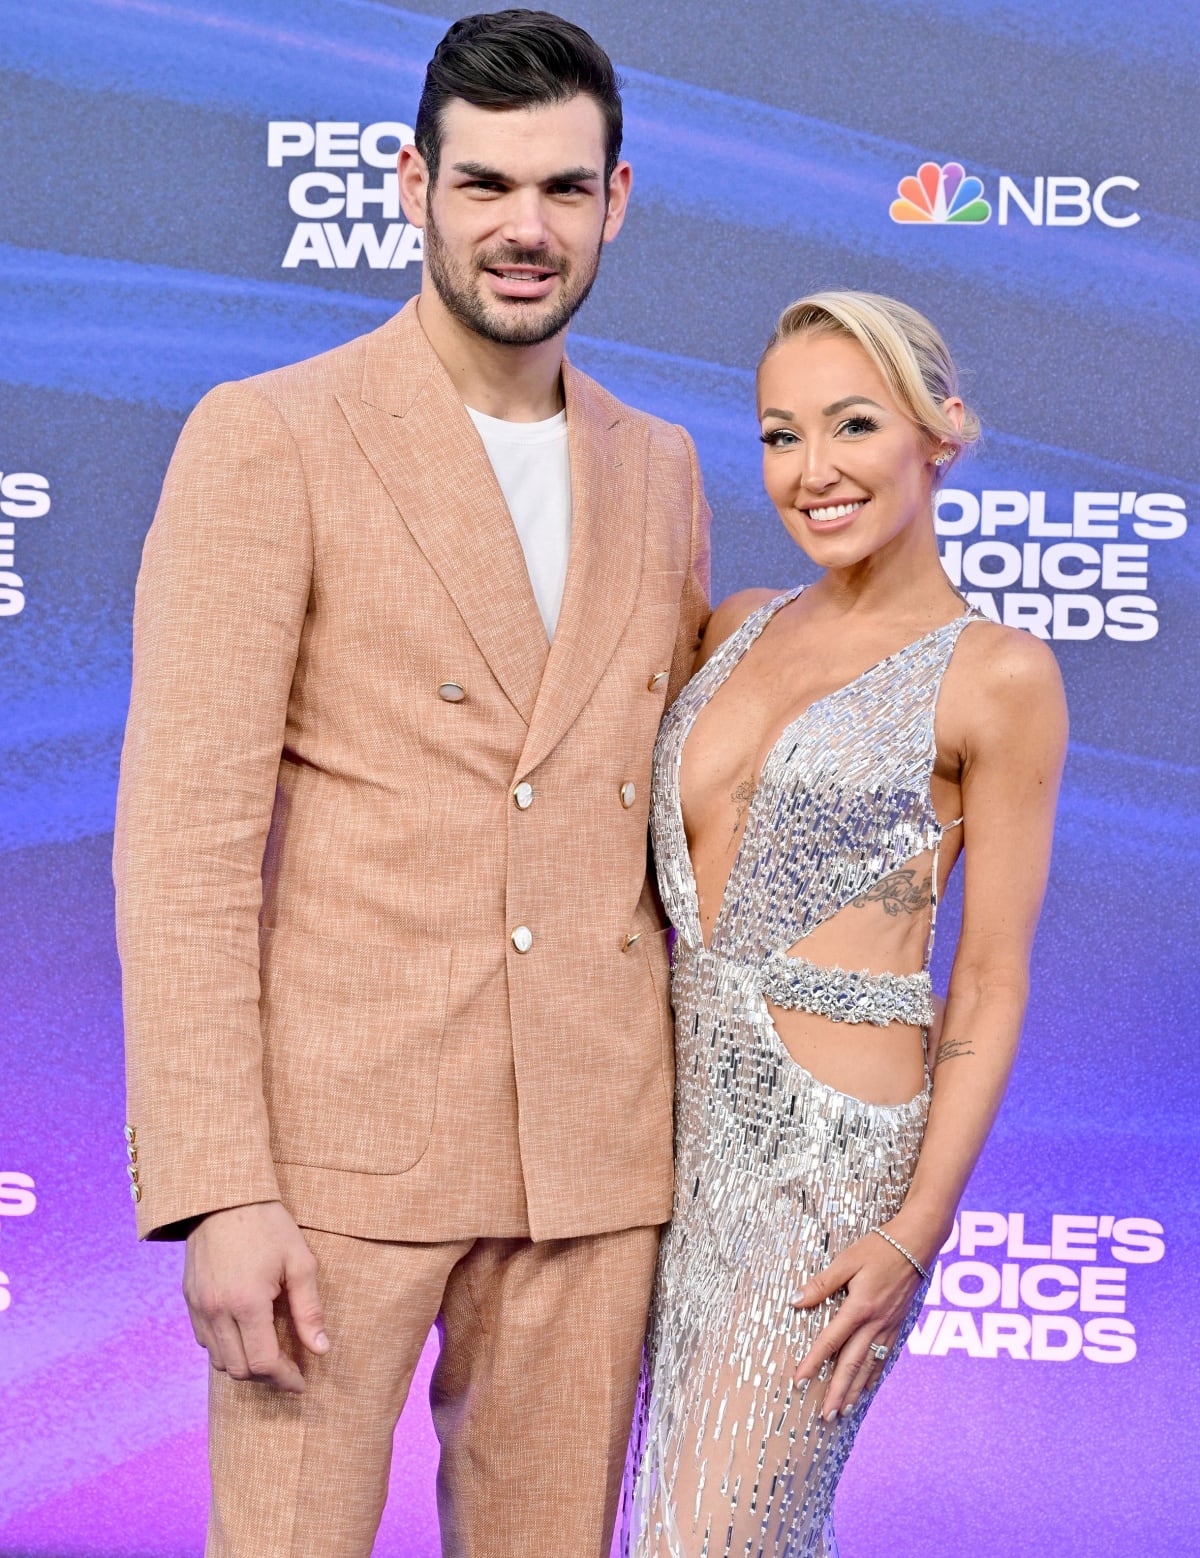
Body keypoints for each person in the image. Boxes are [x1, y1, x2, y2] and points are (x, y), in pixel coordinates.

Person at [113, 11, 710, 1555]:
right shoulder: (272, 437)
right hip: (331, 1172)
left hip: (593, 1158)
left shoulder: (664, 469)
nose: (527, 228)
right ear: (412, 184)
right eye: (488, 184)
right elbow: (182, 844)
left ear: (618, 201)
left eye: (565, 190)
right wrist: (216, 1189)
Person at [622, 291, 1067, 1556]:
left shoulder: (998, 673)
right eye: (779, 435)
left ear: (940, 433)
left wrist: (914, 1232)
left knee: (719, 1534)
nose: (812, 471)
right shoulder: (733, 624)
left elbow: (988, 979)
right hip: (660, 1149)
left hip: (828, 1179)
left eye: (853, 425)